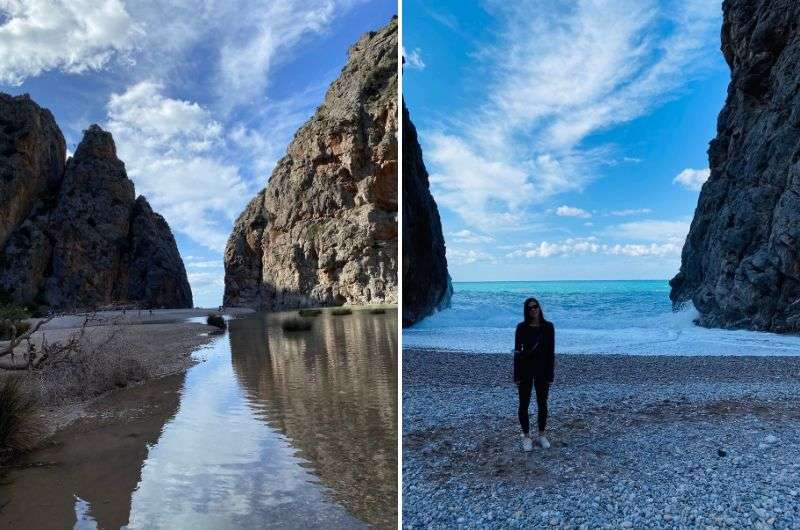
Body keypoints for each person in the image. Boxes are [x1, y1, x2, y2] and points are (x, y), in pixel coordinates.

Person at [513, 297, 555, 452]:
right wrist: (516, 375)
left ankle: (542, 434)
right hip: (525, 370)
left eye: (535, 306)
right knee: (523, 404)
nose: (533, 310)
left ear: (539, 308)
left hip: (542, 371)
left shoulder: (548, 327)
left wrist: (551, 374)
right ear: (526, 310)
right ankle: (526, 436)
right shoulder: (521, 328)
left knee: (542, 403)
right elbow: (517, 353)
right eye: (530, 308)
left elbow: (551, 353)